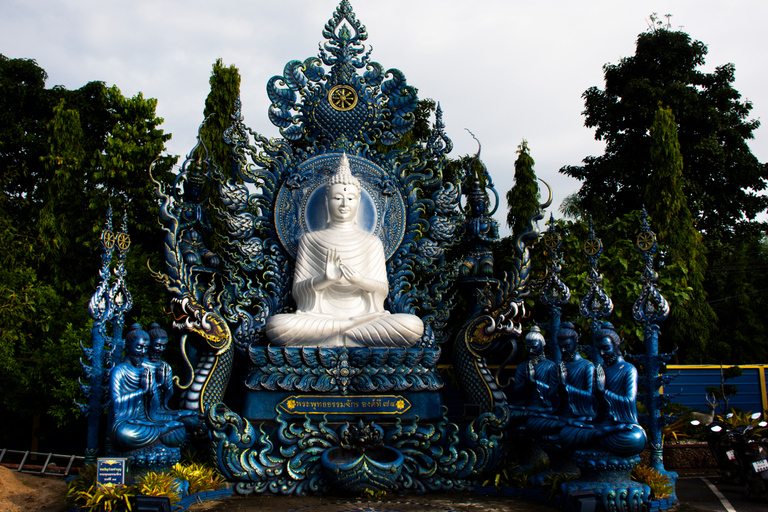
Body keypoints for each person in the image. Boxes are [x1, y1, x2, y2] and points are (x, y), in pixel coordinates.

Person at [264, 154, 423, 347]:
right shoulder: (310, 240)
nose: (344, 204)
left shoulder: (372, 243)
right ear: (326, 202)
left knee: (412, 325)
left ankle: (335, 335)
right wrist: (325, 280)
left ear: (358, 202)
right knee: (277, 326)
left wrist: (361, 281)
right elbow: (298, 292)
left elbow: (382, 290)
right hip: (321, 319)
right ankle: (347, 333)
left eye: (350, 198)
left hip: (366, 319)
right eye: (337, 198)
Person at [108, 324, 185, 452]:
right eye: (139, 347)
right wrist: (141, 392)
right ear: (128, 346)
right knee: (122, 434)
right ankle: (156, 440)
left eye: (145, 348)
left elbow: (154, 409)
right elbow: (116, 404)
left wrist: (158, 386)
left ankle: (156, 438)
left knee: (179, 428)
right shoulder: (119, 371)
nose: (143, 352)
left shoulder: (146, 371)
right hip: (126, 424)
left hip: (148, 422)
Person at [146, 323, 200, 431]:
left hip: (162, 411)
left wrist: (165, 385)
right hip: (147, 414)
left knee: (192, 418)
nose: (161, 349)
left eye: (164, 346)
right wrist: (158, 384)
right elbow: (142, 397)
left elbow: (168, 396)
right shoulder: (141, 367)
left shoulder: (165, 367)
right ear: (149, 344)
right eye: (157, 345)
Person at [510, 326, 559, 416]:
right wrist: (526, 382)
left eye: (534, 347)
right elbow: (516, 394)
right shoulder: (522, 367)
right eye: (528, 348)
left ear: (542, 345)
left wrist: (534, 382)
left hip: (544, 410)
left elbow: (554, 393)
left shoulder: (551, 366)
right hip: (525, 408)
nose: (531, 351)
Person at [557, 322, 596, 421]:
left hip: (580, 416)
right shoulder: (559, 367)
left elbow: (590, 397)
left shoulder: (587, 367)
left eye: (567, 346)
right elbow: (550, 398)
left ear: (576, 343)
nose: (563, 350)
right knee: (534, 422)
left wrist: (566, 386)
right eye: (560, 346)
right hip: (561, 415)